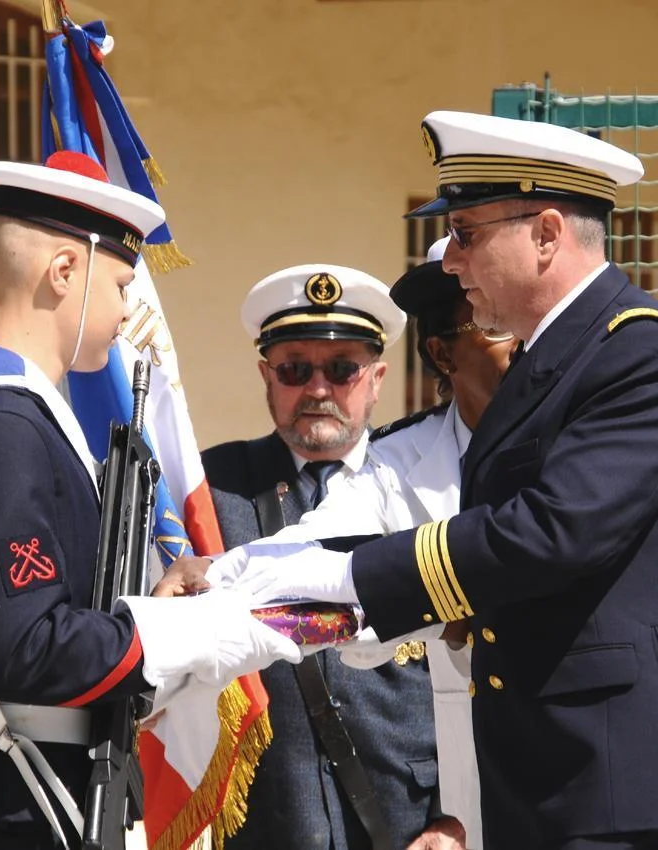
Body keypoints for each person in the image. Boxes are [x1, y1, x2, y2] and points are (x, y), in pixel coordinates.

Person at [217, 111, 658, 849]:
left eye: (467, 233)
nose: (453, 262)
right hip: (554, 780)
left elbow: (549, 535)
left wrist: (342, 574)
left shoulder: (640, 358)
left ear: (547, 234)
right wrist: (245, 578)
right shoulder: (550, 364)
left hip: (626, 787)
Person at [0, 150, 299, 849]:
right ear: (63, 274)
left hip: (37, 802)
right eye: (120, 284)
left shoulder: (23, 416)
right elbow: (27, 647)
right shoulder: (1, 422)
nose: (126, 309)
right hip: (12, 812)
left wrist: (154, 603)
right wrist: (199, 633)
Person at [199, 264, 458, 850]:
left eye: (342, 369)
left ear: (376, 378)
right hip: (268, 823)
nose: (318, 389)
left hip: (412, 825)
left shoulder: (427, 482)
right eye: (295, 369)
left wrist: (455, 816)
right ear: (266, 376)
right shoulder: (212, 489)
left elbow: (473, 673)